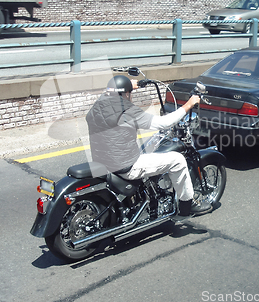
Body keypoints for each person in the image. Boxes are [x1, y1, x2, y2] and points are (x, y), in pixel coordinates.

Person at [86, 75, 212, 217]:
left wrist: (127, 85)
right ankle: (187, 206)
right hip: (126, 166)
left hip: (103, 161)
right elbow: (163, 123)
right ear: (125, 94)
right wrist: (188, 104)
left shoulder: (98, 105)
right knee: (178, 160)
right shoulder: (127, 110)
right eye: (129, 93)